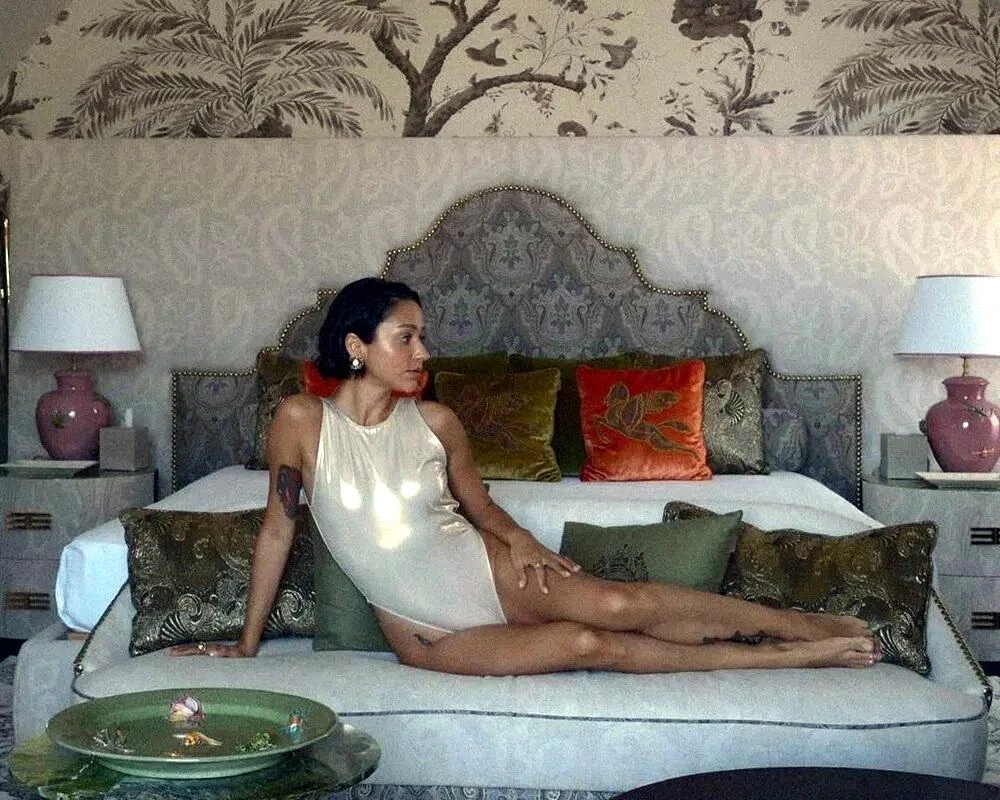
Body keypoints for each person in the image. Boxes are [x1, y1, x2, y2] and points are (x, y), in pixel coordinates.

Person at [173, 277, 881, 675]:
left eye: (424, 336)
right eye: (406, 337)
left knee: (617, 605)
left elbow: (480, 507)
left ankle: (796, 626)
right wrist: (246, 642)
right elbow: (278, 531)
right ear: (357, 346)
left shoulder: (437, 422)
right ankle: (791, 658)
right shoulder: (300, 419)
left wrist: (522, 542)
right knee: (589, 645)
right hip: (423, 635)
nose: (424, 351)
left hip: (482, 569)